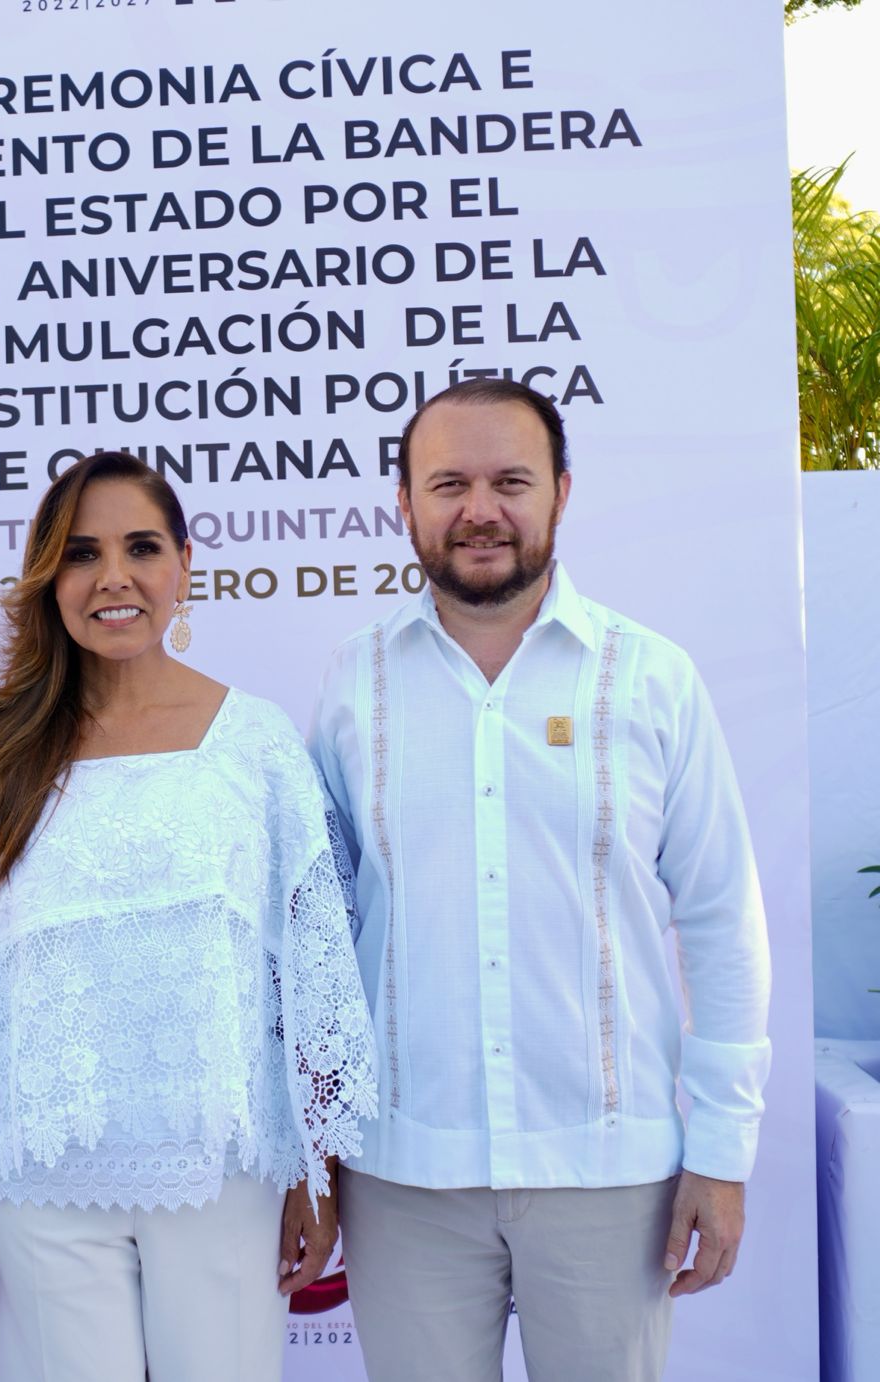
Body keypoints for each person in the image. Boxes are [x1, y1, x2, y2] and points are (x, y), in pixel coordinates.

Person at [309, 379, 772, 1381]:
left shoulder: (651, 678)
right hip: (404, 1175)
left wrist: (723, 1150)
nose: (480, 509)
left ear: (560, 492)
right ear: (404, 503)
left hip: (610, 1175)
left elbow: (721, 919)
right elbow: (320, 939)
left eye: (510, 482)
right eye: (449, 484)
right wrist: (315, 1148)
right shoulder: (354, 682)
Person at [0, 450, 376, 1382]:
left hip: (224, 1173)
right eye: (82, 554)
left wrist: (315, 1168)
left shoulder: (257, 745)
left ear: (184, 565)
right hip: (35, 1179)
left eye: (141, 548)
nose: (114, 577)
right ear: (48, 578)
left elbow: (312, 976)